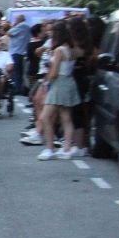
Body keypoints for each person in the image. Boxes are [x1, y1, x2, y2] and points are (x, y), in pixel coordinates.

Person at [37, 20, 80, 160]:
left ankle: (50, 148)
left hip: (58, 83)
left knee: (45, 117)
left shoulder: (59, 50)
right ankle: (66, 147)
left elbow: (54, 72)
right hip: (69, 81)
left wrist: (46, 82)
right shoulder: (73, 50)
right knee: (66, 117)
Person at [8, 14, 30, 97]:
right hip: (21, 51)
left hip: (16, 51)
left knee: (16, 71)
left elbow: (9, 33)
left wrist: (13, 26)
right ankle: (20, 88)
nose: (15, 20)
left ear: (19, 19)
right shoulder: (27, 26)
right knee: (19, 72)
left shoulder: (21, 25)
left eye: (16, 19)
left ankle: (17, 88)